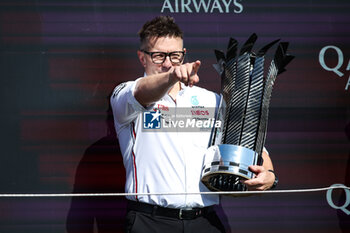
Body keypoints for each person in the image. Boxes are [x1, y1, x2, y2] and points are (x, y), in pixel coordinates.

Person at [110, 15, 276, 233]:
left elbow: (252, 146)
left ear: (184, 54)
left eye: (175, 56)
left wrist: (270, 176)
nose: (168, 63)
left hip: (204, 221)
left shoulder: (212, 100)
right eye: (159, 56)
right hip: (150, 221)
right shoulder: (126, 95)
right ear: (143, 58)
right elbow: (141, 91)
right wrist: (171, 77)